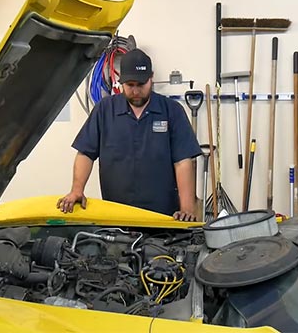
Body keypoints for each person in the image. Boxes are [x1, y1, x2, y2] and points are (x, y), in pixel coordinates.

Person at [57, 48, 201, 221]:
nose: (135, 91)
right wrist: (77, 190)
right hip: (116, 215)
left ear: (151, 78)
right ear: (120, 81)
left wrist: (186, 209)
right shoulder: (105, 110)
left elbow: (183, 162)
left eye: (141, 85)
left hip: (163, 217)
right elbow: (86, 153)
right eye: (130, 85)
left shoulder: (172, 111)